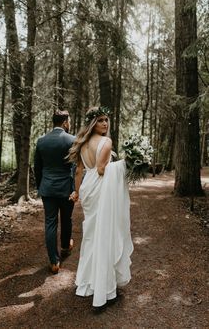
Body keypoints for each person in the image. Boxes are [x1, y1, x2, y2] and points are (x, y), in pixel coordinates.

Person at [68, 106, 134, 310]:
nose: (105, 124)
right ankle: (105, 291)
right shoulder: (106, 142)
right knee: (103, 237)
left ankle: (87, 281)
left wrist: (78, 192)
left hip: (88, 189)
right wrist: (126, 163)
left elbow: (79, 171)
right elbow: (102, 169)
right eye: (100, 120)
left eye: (106, 120)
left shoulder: (81, 143)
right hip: (100, 189)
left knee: (91, 236)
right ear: (92, 123)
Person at [34, 110, 75, 274]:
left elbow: (37, 167)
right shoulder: (72, 140)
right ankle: (65, 246)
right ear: (65, 122)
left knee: (50, 223)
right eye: (69, 121)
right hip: (66, 188)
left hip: (48, 188)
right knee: (67, 219)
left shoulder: (41, 141)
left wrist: (40, 186)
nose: (69, 123)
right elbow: (76, 167)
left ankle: (54, 261)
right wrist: (76, 189)